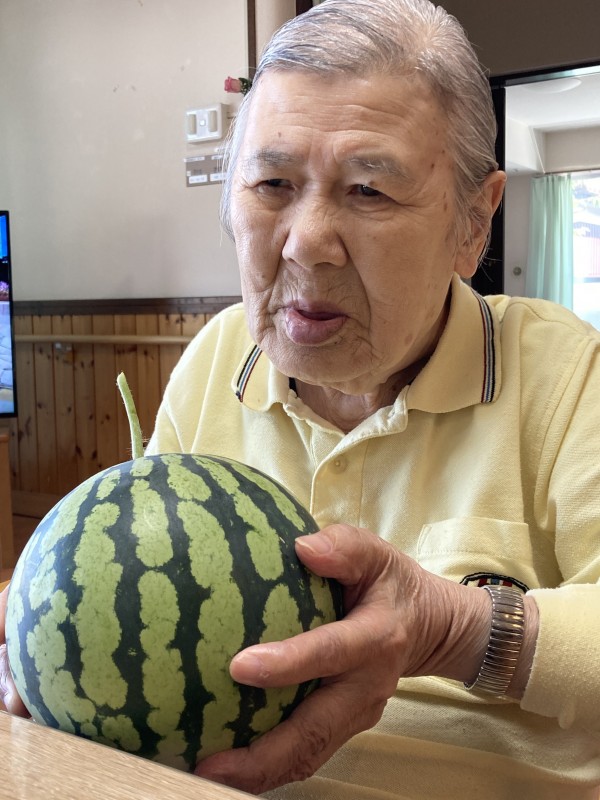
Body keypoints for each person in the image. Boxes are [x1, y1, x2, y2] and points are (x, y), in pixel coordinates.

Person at [2, 0, 600, 797]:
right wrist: (45, 643)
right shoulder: (218, 357)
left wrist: (458, 629)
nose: (306, 241)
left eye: (369, 191)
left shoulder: (567, 374)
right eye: (273, 184)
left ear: (474, 223)